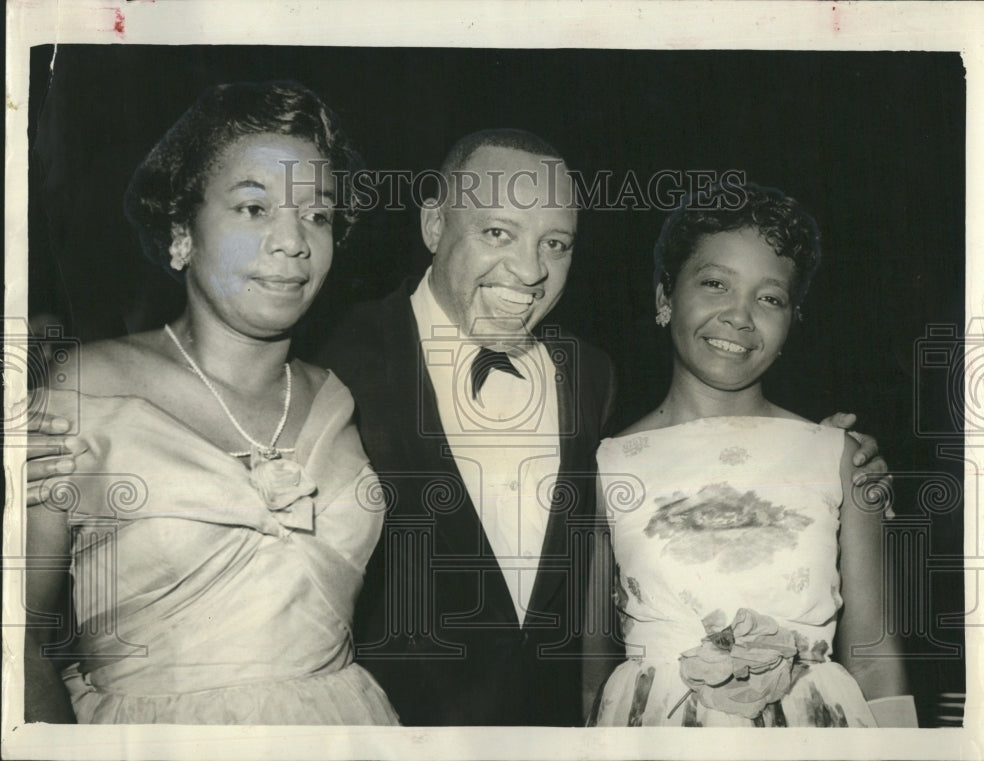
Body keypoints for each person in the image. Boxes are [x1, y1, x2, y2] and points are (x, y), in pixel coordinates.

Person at [315, 133, 889, 726]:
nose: (531, 269)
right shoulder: (330, 359)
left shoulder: (588, 376)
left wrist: (839, 463)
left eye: (556, 243)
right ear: (435, 224)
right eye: (498, 232)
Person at [24, 81, 398, 725]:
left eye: (317, 214)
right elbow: (13, 642)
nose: (294, 242)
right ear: (181, 233)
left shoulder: (335, 396)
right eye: (254, 208)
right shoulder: (85, 389)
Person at [588, 183, 915, 727]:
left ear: (792, 321)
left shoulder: (839, 458)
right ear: (664, 298)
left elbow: (877, 660)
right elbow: (592, 669)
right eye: (715, 283)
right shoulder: (608, 465)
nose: (740, 316)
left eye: (770, 298)